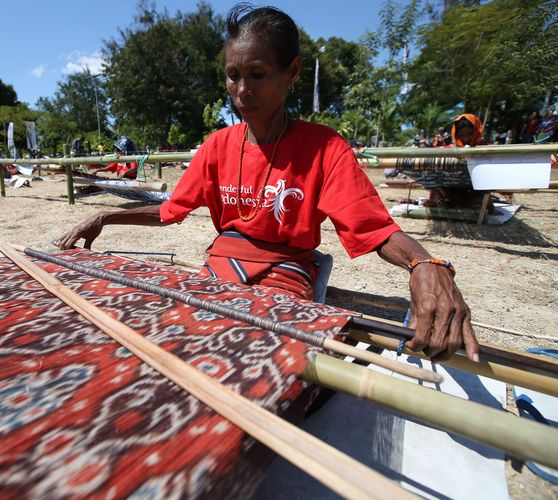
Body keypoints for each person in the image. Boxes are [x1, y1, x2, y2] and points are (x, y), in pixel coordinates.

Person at [58, 4, 479, 363]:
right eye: (232, 75)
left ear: (291, 72)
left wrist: (425, 264)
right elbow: (170, 210)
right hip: (222, 265)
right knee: (176, 340)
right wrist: (105, 215)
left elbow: (374, 228)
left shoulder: (324, 148)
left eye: (257, 74)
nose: (242, 90)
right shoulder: (217, 146)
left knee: (264, 353)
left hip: (287, 272)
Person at [424, 114, 488, 209]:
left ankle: (475, 205)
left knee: (480, 196)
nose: (466, 138)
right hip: (451, 189)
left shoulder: (486, 149)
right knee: (437, 185)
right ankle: (443, 203)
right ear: (456, 135)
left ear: (477, 131)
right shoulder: (449, 150)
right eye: (461, 135)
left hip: (474, 189)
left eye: (470, 134)